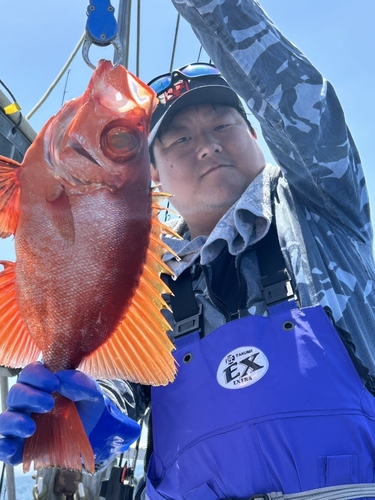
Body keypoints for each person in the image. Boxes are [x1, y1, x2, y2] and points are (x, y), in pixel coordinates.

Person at [1, 1, 375, 499]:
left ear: (258, 133)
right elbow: (120, 397)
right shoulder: (144, 283)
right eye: (178, 138)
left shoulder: (321, 211)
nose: (206, 146)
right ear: (149, 175)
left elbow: (305, 107)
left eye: (224, 125)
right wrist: (87, 416)